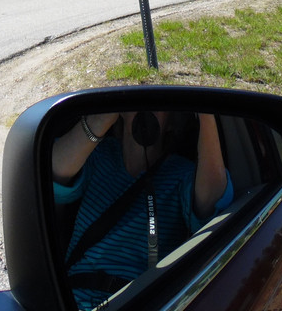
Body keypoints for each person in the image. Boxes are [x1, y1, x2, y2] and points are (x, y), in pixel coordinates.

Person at [52, 111, 233, 310]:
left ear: (172, 123)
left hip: (139, 301)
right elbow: (54, 170)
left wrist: (206, 115)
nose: (146, 108)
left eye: (158, 102)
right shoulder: (98, 154)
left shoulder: (184, 174)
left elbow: (213, 201)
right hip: (72, 299)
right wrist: (103, 117)